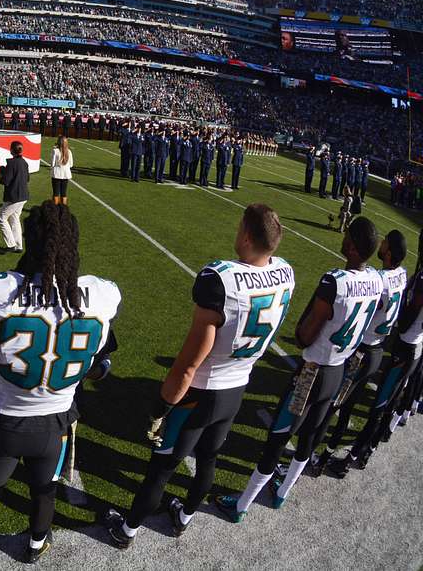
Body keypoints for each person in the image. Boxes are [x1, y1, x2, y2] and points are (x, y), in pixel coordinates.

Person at [106, 204, 294, 546]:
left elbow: (189, 363)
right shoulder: (285, 272)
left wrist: (162, 406)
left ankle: (127, 530)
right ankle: (183, 518)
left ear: (248, 236)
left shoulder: (220, 280)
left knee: (162, 467)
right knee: (209, 457)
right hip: (238, 385)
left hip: (202, 390)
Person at [0, 202, 121, 563]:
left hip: (5, 417)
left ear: (30, 241)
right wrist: (81, 376)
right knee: (44, 491)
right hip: (56, 420)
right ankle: (34, 547)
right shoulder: (100, 295)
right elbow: (101, 357)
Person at [216, 216, 383, 521]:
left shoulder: (335, 282)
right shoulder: (376, 279)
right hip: (339, 371)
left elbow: (305, 334)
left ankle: (240, 506)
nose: (343, 239)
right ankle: (281, 494)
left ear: (354, 247)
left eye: (348, 237)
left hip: (312, 372)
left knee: (278, 437)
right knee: (310, 437)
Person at [315, 230, 406, 477]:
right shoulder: (401, 274)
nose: (382, 243)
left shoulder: (380, 279)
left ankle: (318, 456)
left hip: (361, 352)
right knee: (347, 405)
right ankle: (328, 453)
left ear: (389, 251)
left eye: (385, 242)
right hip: (378, 349)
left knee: (335, 405)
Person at [0, 141, 30, 253]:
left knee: (2, 217)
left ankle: (11, 244)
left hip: (14, 196)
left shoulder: (11, 163)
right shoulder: (24, 163)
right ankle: (18, 245)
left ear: (11, 150)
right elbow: (27, 179)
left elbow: (6, 181)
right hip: (23, 195)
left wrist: (2, 173)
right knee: (15, 218)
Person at [50, 135, 73, 204]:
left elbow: (52, 164)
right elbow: (71, 165)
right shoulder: (69, 151)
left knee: (56, 193)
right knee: (64, 193)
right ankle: (64, 210)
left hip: (56, 174)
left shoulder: (55, 151)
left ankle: (55, 210)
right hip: (66, 175)